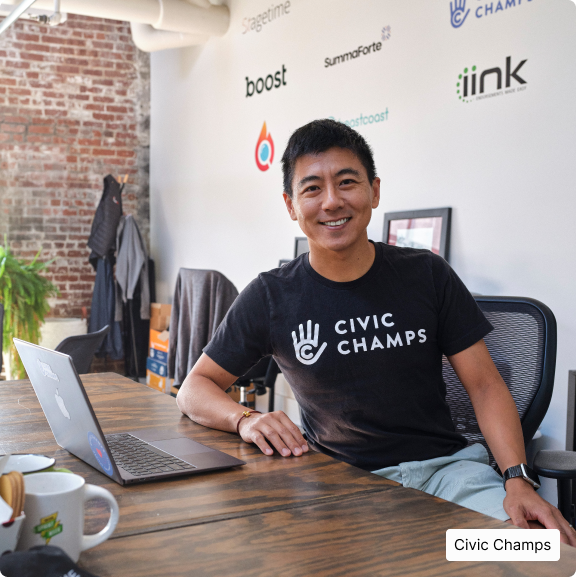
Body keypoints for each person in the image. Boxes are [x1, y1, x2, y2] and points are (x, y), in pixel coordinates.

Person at [177, 119, 576, 545]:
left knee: (538, 555)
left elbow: (484, 385)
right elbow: (194, 388)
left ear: (374, 191)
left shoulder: (427, 274)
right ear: (291, 205)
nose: (331, 201)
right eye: (312, 188)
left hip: (450, 475)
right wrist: (245, 419)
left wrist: (517, 480)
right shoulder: (271, 296)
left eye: (346, 182)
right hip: (341, 484)